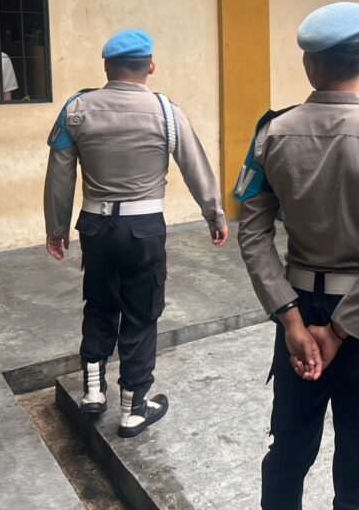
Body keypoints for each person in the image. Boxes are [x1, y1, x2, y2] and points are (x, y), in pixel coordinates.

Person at [235, 1, 359, 510]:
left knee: (288, 455)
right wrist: (339, 332)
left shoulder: (271, 134)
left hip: (297, 310)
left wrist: (292, 320)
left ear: (309, 64)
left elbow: (253, 233)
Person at [43, 28, 228, 438]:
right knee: (142, 313)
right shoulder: (166, 112)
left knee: (99, 302)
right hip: (143, 228)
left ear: (106, 67)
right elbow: (195, 166)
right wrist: (214, 214)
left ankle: (93, 391)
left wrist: (56, 227)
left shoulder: (76, 108)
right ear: (151, 67)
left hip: (95, 226)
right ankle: (133, 407)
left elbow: (60, 174)